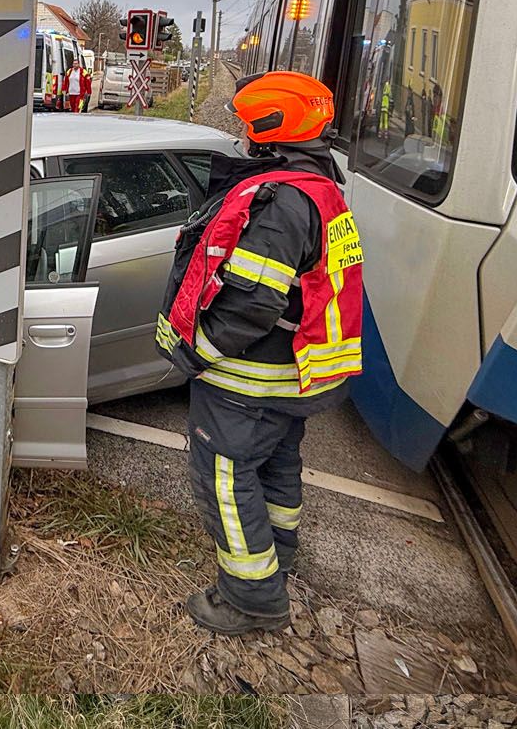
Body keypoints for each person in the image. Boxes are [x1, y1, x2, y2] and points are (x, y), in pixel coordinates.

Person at [154, 70, 363, 635]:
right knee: (276, 467)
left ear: (273, 127)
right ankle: (278, 560)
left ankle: (250, 598)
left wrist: (197, 352)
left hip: (247, 381)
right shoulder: (321, 189)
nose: (244, 137)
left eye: (249, 126)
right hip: (292, 377)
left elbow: (250, 305)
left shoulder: (281, 203)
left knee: (224, 477)